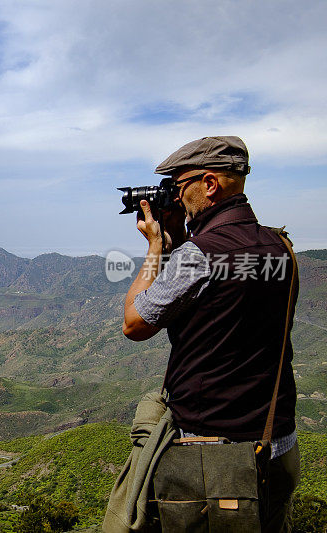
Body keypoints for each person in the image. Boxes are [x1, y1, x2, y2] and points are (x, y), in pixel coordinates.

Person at [122, 136, 299, 531]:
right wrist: (181, 241)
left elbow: (134, 324)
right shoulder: (279, 245)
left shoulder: (199, 255)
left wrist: (155, 247)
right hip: (277, 444)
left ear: (210, 185)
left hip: (214, 461)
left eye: (179, 186)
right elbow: (224, 293)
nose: (176, 196)